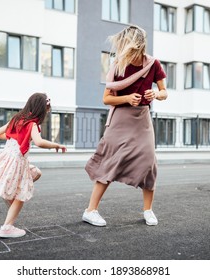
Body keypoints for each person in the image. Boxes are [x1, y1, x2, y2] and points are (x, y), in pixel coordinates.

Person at [83, 25, 168, 227]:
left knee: (149, 161)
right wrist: (127, 98)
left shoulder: (153, 64)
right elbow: (106, 99)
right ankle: (90, 210)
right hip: (120, 119)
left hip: (142, 119)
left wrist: (156, 94)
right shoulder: (118, 64)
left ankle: (148, 210)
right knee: (111, 161)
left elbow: (164, 92)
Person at [0, 93, 67, 238]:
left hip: (7, 158)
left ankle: (10, 198)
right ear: (41, 109)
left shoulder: (17, 119)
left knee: (36, 173)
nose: (48, 112)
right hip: (17, 162)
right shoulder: (32, 124)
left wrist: (14, 137)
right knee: (21, 194)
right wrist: (56, 145)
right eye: (47, 109)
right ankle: (7, 227)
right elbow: (39, 142)